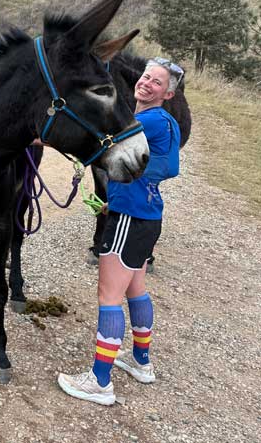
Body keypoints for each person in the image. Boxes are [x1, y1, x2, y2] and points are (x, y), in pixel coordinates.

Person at [58, 57, 183, 406]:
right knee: (136, 289)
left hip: (130, 218)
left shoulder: (147, 120)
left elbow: (163, 165)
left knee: (108, 295)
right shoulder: (166, 121)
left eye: (157, 82)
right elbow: (165, 166)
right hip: (145, 215)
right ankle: (141, 361)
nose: (146, 83)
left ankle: (99, 381)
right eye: (145, 76)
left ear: (168, 93)